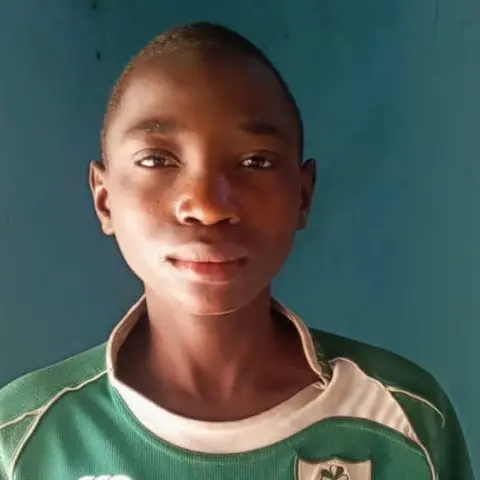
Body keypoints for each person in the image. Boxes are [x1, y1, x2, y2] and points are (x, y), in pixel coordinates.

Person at [0, 22, 473, 480]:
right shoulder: (22, 439)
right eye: (157, 159)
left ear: (303, 196)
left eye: (255, 161)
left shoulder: (407, 419)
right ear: (105, 200)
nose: (207, 206)